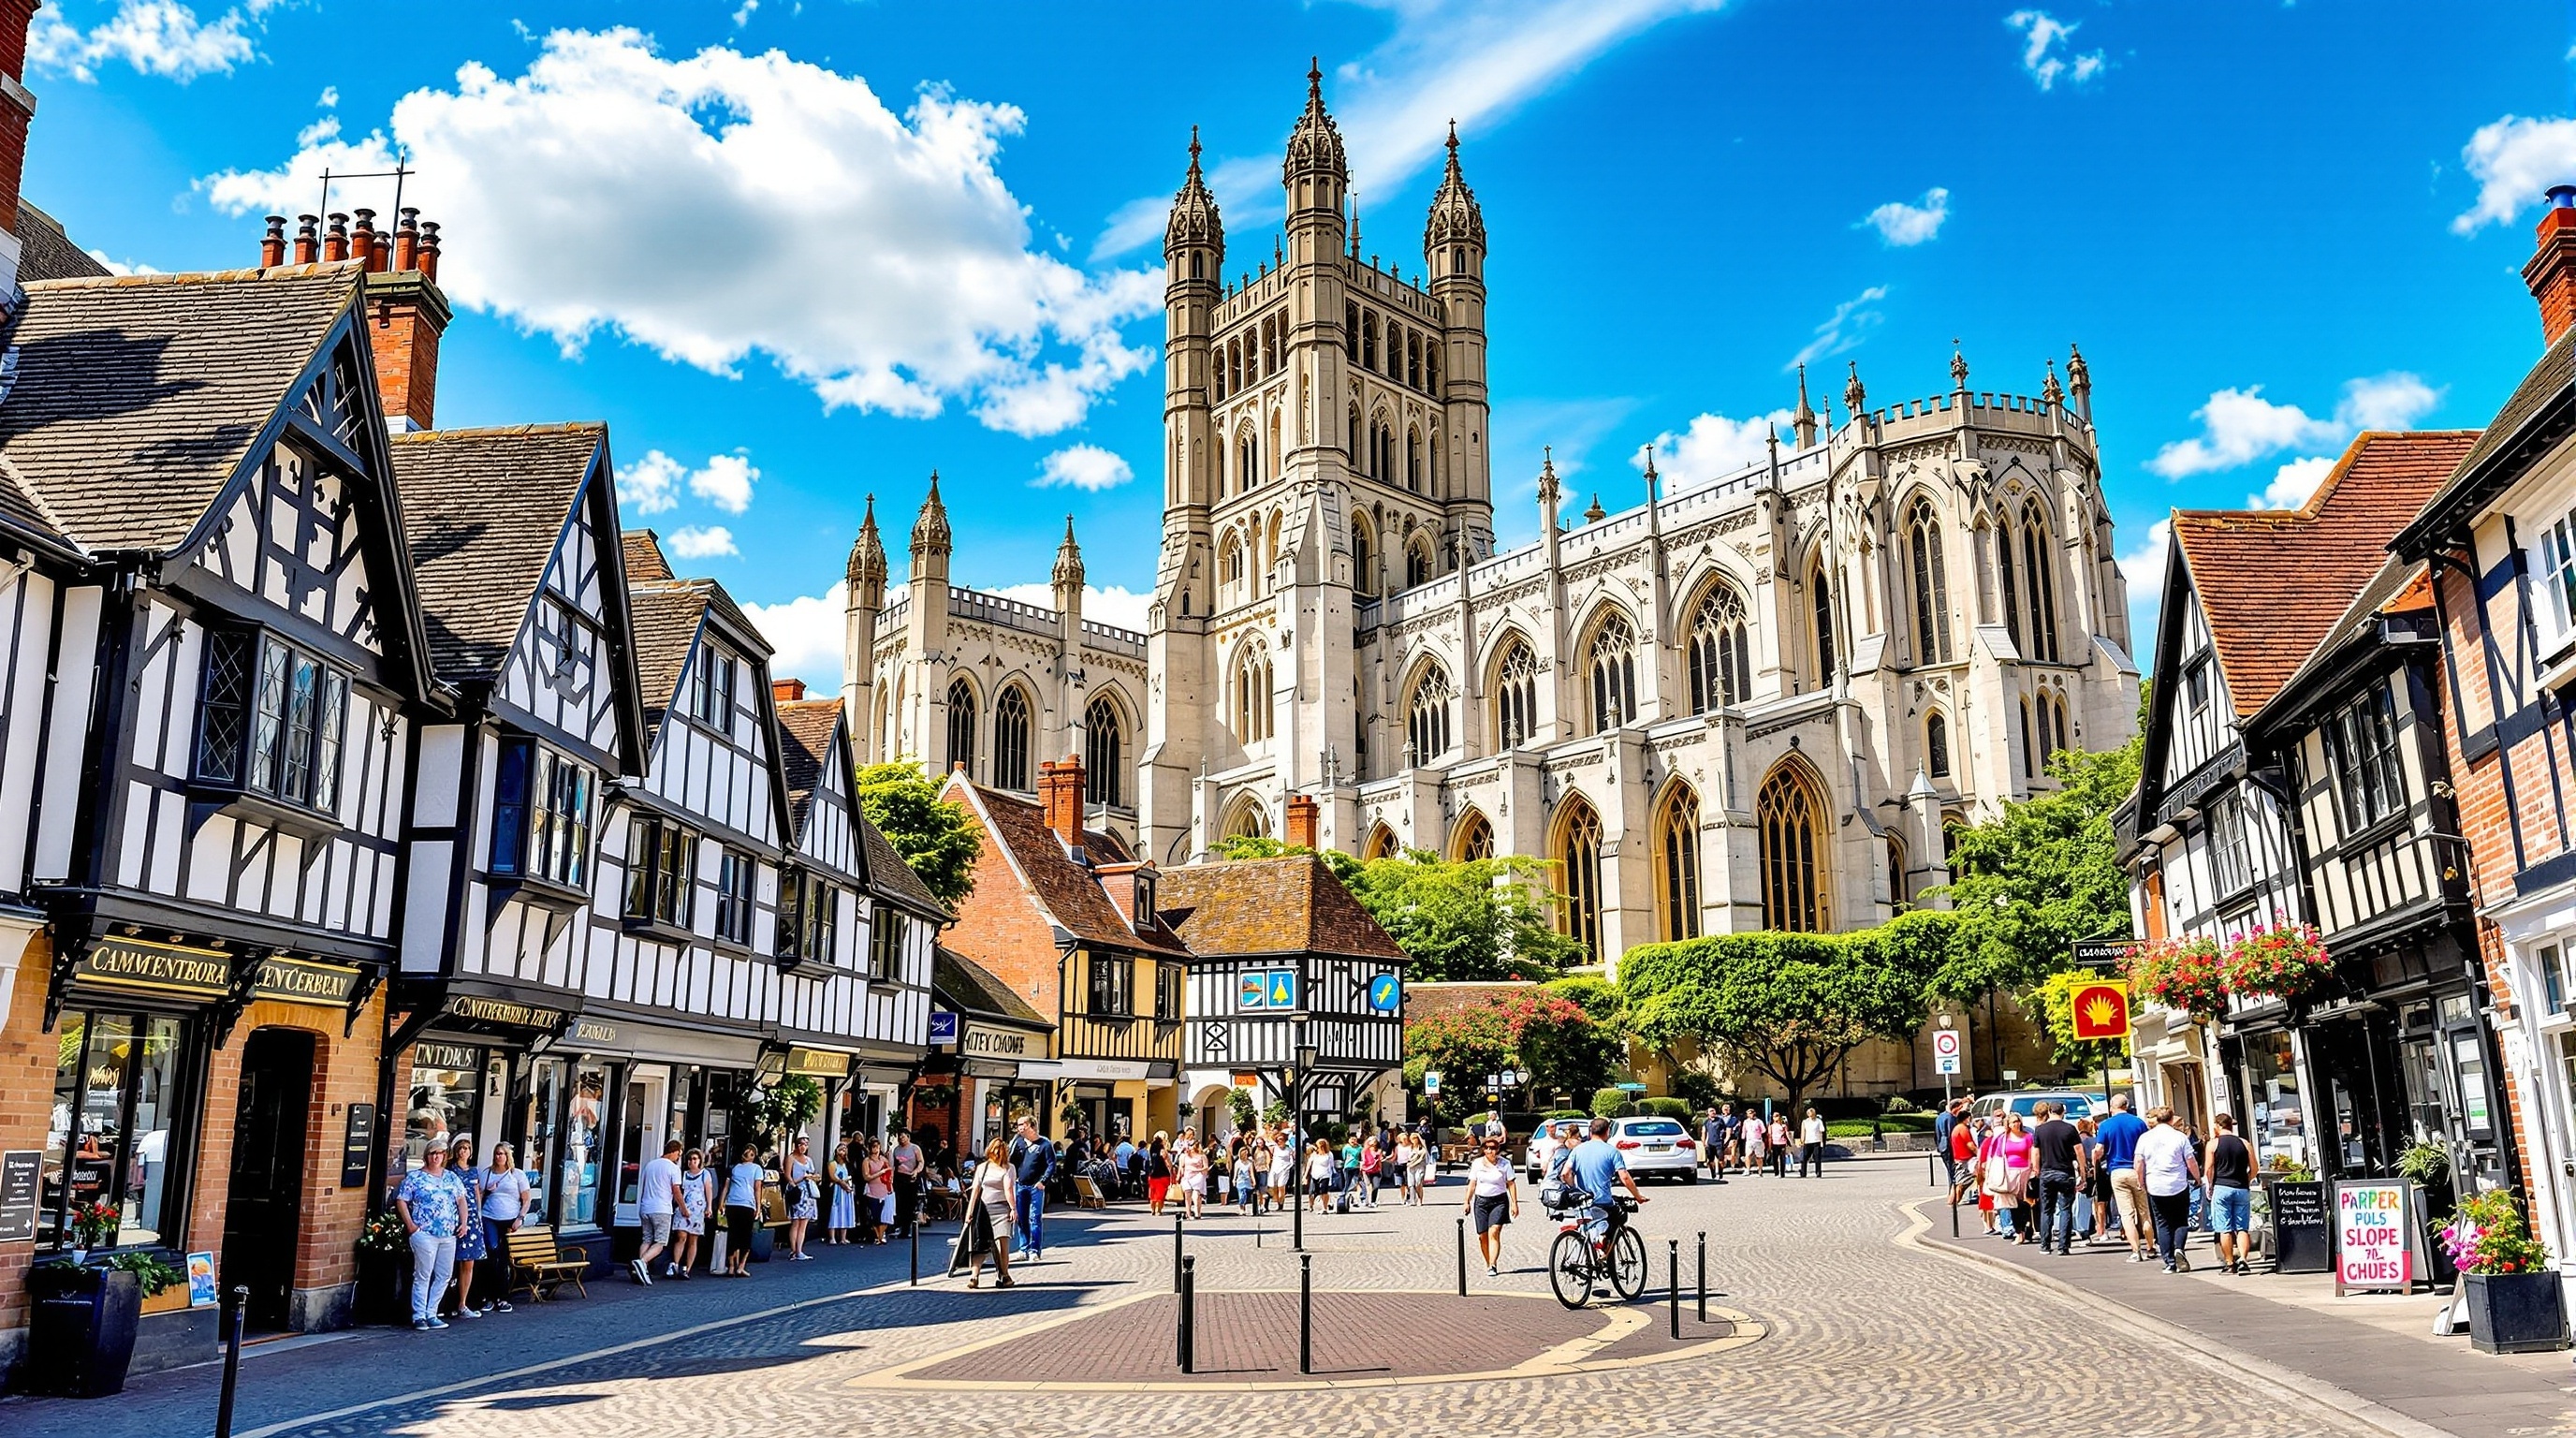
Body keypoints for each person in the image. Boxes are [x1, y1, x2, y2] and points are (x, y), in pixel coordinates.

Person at [395, 1138, 471, 1331]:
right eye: (432, 1153)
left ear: (445, 1156)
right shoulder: (416, 1178)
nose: (436, 1157)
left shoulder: (451, 1177)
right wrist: (411, 1226)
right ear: (427, 1156)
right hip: (425, 1233)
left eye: (440, 1153)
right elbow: (402, 1200)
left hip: (448, 1233)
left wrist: (464, 1222)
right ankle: (419, 1314)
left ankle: (432, 1312)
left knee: (444, 1274)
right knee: (423, 1273)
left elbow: (461, 1200)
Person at [2135, 1106, 2201, 1272]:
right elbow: (2190, 1160)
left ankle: (2170, 1262)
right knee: (2180, 1220)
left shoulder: (2145, 1138)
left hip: (2156, 1185)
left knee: (2162, 1223)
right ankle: (2179, 1248)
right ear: (2171, 1120)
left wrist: (2140, 1181)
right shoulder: (2179, 1137)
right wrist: (2197, 1178)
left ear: (2157, 1119)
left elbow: (2139, 1162)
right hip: (2178, 1184)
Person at [1569, 1116, 1648, 1246]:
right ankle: (1602, 1242)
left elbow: (1565, 1173)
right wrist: (1638, 1196)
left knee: (1586, 1224)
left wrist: (1574, 1190)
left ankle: (1592, 1250)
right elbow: (1625, 1177)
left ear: (1590, 1132)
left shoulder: (1577, 1150)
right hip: (1602, 1200)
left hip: (1581, 1201)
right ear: (1608, 1132)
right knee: (1620, 1216)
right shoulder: (1612, 1151)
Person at [2096, 1093, 2153, 1263]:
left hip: (2117, 1171)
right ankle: (2151, 1246)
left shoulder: (2106, 1125)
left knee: (2126, 1214)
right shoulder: (2139, 1123)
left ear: (2112, 1107)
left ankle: (2136, 1251)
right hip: (2137, 1170)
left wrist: (2096, 1161)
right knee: (2144, 1211)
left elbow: (2099, 1149)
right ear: (2127, 1105)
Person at [2204, 1112, 2255, 1275]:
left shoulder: (2213, 1144)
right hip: (2241, 1188)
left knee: (2224, 1228)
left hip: (2222, 1187)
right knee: (2242, 1228)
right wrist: (2246, 1180)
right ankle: (2244, 1260)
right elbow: (2255, 1168)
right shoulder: (2244, 1143)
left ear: (2217, 1126)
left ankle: (2229, 1263)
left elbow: (2209, 1168)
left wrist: (2210, 1185)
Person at [2030, 1102, 2083, 1256]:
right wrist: (2082, 1171)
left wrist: (2037, 1169)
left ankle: (2045, 1245)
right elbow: (2079, 1150)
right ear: (2063, 1111)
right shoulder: (2069, 1129)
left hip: (2047, 1171)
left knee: (2047, 1210)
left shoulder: (2040, 1130)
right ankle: (2063, 1246)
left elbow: (2036, 1152)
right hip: (2065, 1172)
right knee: (2066, 1209)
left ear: (2049, 1111)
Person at [963, 1137, 1017, 1288]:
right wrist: (1013, 1208)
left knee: (982, 1243)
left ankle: (977, 1276)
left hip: (989, 1209)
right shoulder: (1005, 1168)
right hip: (996, 1209)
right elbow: (1007, 1190)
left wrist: (970, 1211)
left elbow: (976, 1191)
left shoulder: (985, 1167)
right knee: (1001, 1244)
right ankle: (1003, 1276)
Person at [477, 1141, 526, 1308]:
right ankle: (489, 1296)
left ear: (508, 1156)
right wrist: (488, 1191)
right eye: (497, 1153)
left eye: (502, 1154)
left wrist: (520, 1218)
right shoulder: (487, 1174)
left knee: (504, 1257)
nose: (499, 1156)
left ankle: (503, 1297)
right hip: (490, 1216)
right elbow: (479, 1195)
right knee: (492, 1252)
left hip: (510, 1217)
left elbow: (526, 1199)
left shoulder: (517, 1174)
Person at [1463, 1135, 1519, 1277]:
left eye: (1493, 1148)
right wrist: (1466, 1201)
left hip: (1499, 1201)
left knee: (1494, 1232)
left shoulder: (1505, 1164)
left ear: (1498, 1150)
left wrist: (1514, 1204)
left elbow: (1511, 1184)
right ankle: (1488, 1262)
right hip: (1481, 1202)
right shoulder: (1477, 1164)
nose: (1490, 1151)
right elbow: (1472, 1184)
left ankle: (1493, 1264)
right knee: (1483, 1236)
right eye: (1487, 1148)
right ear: (1483, 1149)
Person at [444, 1139, 486, 1318]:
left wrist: (478, 1216)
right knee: (448, 1263)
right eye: (461, 1148)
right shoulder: (451, 1171)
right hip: (454, 1217)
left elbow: (477, 1196)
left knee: (469, 1262)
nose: (464, 1152)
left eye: (467, 1148)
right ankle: (446, 1304)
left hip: (472, 1220)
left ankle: (463, 1303)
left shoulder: (474, 1171)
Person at [636, 1138, 683, 1282]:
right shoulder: (673, 1168)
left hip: (646, 1207)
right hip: (662, 1208)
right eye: (679, 1154)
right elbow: (676, 1190)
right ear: (674, 1152)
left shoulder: (650, 1165)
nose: (678, 1158)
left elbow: (643, 1185)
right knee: (660, 1243)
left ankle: (640, 1271)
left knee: (646, 1239)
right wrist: (683, 1208)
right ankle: (642, 1263)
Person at [1983, 1112, 2036, 1240]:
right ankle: (2017, 1231)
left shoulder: (2028, 1137)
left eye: (2018, 1121)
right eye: (2013, 1122)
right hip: (2008, 1172)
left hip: (2025, 1172)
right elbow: (1996, 1156)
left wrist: (2033, 1170)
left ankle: (2027, 1229)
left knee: (2024, 1203)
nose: (2016, 1124)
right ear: (2008, 1124)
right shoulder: (2003, 1138)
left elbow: (2032, 1154)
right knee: (2011, 1204)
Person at [1009, 1115, 1053, 1259]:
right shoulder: (1019, 1143)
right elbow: (1012, 1162)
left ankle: (1034, 1250)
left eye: (1022, 1124)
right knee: (1021, 1218)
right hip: (1021, 1185)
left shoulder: (1044, 1144)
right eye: (1018, 1125)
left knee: (1035, 1218)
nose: (1019, 1128)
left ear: (1032, 1126)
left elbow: (1051, 1164)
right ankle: (1023, 1248)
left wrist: (1043, 1182)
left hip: (1036, 1187)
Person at [722, 1141, 764, 1277]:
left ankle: (731, 1267)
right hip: (747, 1203)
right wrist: (758, 1206)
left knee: (733, 1235)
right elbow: (757, 1188)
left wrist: (722, 1203)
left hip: (732, 1203)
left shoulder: (734, 1168)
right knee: (745, 1236)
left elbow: (726, 1187)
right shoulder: (757, 1168)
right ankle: (741, 1266)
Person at [671, 1147, 711, 1279]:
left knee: (693, 1240)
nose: (691, 1161)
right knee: (681, 1236)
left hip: (698, 1210)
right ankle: (675, 1265)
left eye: (694, 1159)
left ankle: (687, 1269)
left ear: (700, 1160)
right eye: (689, 1159)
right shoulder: (683, 1174)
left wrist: (709, 1207)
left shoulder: (705, 1174)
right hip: (684, 1209)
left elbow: (708, 1191)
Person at [783, 1135, 819, 1261]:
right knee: (796, 1222)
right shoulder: (791, 1158)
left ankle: (799, 1250)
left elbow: (812, 1174)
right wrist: (795, 1185)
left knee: (804, 1223)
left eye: (805, 1144)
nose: (803, 1147)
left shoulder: (808, 1160)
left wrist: (814, 1178)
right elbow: (787, 1175)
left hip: (808, 1192)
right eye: (801, 1144)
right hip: (797, 1191)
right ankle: (794, 1250)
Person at [891, 1127, 924, 1238]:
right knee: (900, 1204)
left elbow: (921, 1162)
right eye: (899, 1137)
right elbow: (894, 1165)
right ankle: (900, 1227)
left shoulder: (915, 1148)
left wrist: (916, 1171)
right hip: (899, 1177)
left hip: (911, 1177)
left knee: (910, 1204)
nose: (901, 1139)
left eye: (903, 1136)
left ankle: (907, 1229)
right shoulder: (896, 1150)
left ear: (908, 1137)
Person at [863, 1138, 895, 1244]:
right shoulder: (867, 1161)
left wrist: (890, 1183)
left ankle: (881, 1235)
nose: (875, 1149)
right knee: (875, 1215)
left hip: (884, 1189)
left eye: (877, 1147)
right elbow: (866, 1177)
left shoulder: (883, 1159)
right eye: (873, 1147)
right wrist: (880, 1173)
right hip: (872, 1190)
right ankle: (877, 1236)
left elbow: (890, 1172)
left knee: (884, 1215)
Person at [827, 1141, 857, 1245]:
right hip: (837, 1189)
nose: (842, 1152)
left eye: (845, 1150)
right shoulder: (832, 1163)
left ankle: (843, 1237)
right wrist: (841, 1183)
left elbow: (851, 1175)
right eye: (841, 1149)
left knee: (845, 1211)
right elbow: (832, 1176)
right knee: (835, 1211)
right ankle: (832, 1237)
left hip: (846, 1189)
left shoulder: (847, 1164)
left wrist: (849, 1185)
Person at [1933, 1099, 1964, 1188]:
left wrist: (1938, 1146)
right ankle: (1953, 1192)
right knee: (1953, 1171)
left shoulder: (1939, 1117)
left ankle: (1952, 1190)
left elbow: (1936, 1134)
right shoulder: (1951, 1118)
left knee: (1949, 1170)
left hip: (1942, 1146)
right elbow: (1952, 1134)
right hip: (1949, 1147)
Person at [1146, 1132, 1174, 1215]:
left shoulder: (1149, 1151)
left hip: (1152, 1174)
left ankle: (1153, 1210)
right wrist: (1172, 1172)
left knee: (1153, 1193)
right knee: (1160, 1194)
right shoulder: (1163, 1151)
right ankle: (1159, 1210)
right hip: (1163, 1175)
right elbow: (1168, 1164)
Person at [1307, 1138, 1336, 1211]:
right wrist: (1305, 1175)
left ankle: (1324, 1208)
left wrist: (1331, 1175)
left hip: (1325, 1174)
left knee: (1324, 1192)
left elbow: (1331, 1165)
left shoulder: (1329, 1154)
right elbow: (1309, 1164)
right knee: (1312, 1192)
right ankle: (1311, 1205)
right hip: (1315, 1174)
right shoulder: (1314, 1154)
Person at [1798, 1107, 1827, 1179]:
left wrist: (1821, 1142)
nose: (1810, 1115)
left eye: (1811, 1114)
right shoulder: (1805, 1122)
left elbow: (1821, 1132)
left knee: (1817, 1158)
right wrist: (1802, 1140)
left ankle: (1818, 1172)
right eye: (1809, 1114)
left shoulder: (1818, 1121)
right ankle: (1803, 1172)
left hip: (1816, 1141)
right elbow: (1803, 1132)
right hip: (1807, 1142)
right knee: (1804, 1158)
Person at [1740, 1107, 1769, 1177]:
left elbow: (1763, 1130)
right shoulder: (1746, 1122)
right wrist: (1743, 1137)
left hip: (1758, 1140)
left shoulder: (1759, 1121)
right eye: (1748, 1114)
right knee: (1748, 1155)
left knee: (1758, 1157)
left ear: (1754, 1113)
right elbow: (1744, 1130)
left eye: (1751, 1113)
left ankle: (1760, 1169)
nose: (1750, 1115)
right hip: (1749, 1141)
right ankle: (1747, 1169)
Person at [1766, 1111, 1792, 1179]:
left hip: (1782, 1143)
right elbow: (1769, 1136)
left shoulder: (1783, 1125)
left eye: (1777, 1116)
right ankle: (1776, 1173)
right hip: (1774, 1143)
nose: (1776, 1117)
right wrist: (1769, 1146)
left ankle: (1782, 1173)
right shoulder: (1771, 1126)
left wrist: (1789, 1142)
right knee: (1775, 1159)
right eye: (1774, 1116)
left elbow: (1786, 1134)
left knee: (1782, 1158)